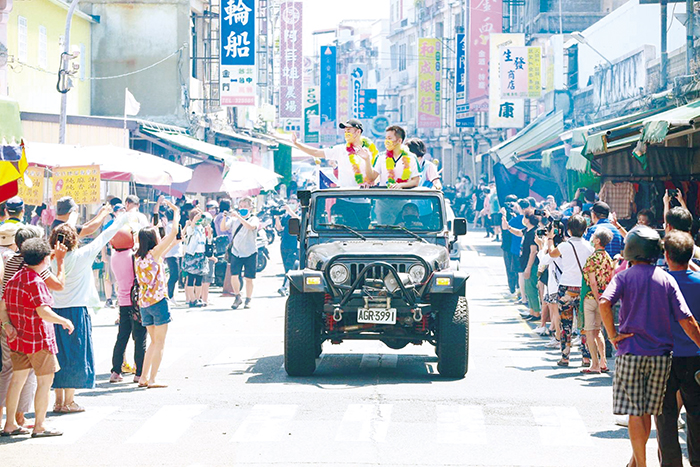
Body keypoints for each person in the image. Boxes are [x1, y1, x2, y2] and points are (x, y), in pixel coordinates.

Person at [600, 226, 700, 467]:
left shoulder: (624, 276)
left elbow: (605, 302)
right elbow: (686, 319)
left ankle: (647, 463)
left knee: (648, 414)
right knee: (677, 415)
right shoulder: (666, 279)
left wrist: (613, 335)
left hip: (643, 354)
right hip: (671, 357)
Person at [48, 208, 128, 413]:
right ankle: (69, 401)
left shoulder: (49, 259)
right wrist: (121, 218)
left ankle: (58, 402)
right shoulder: (83, 255)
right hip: (75, 313)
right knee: (75, 356)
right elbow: (104, 236)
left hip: (54, 313)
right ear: (74, 239)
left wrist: (73, 214)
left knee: (58, 357)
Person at [0, 238, 74, 438]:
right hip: (39, 340)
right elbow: (43, 312)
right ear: (44, 259)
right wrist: (64, 321)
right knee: (45, 382)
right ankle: (39, 426)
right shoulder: (36, 281)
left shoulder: (14, 278)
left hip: (18, 340)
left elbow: (3, 308)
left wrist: (7, 326)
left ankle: (9, 424)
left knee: (17, 381)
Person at [654, 230, 700, 467]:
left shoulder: (658, 284)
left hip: (663, 359)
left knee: (665, 416)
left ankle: (671, 463)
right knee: (697, 414)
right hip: (695, 357)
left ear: (667, 256)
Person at [134, 199, 181, 388]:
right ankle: (152, 379)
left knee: (153, 342)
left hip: (144, 303)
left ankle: (144, 377)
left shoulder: (139, 256)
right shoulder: (154, 253)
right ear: (152, 240)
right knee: (159, 343)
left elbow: (172, 241)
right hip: (158, 302)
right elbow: (173, 233)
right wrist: (175, 212)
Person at [546, 214, 594, 367]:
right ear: (584, 229)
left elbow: (552, 253)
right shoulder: (589, 246)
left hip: (566, 287)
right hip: (584, 288)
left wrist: (550, 238)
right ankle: (586, 357)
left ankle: (565, 357)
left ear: (569, 230)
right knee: (584, 324)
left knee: (566, 324)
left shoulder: (564, 246)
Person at [108, 226, 147, 384]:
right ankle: (139, 372)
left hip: (123, 301)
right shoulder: (132, 256)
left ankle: (116, 371)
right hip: (136, 302)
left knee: (122, 337)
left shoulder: (114, 257)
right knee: (139, 337)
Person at [289, 119, 378, 187]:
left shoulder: (370, 151)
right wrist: (297, 144)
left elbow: (373, 177)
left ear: (358, 132)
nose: (346, 134)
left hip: (364, 198)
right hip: (344, 197)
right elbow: (316, 152)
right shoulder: (340, 149)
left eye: (349, 131)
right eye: (345, 131)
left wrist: (367, 160)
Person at [581, 228, 614, 374]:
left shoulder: (592, 259)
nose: (592, 239)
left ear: (598, 241)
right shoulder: (608, 258)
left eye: (594, 237)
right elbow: (611, 279)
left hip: (591, 298)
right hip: (605, 298)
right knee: (598, 330)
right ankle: (603, 362)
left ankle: (594, 364)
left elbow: (592, 282)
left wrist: (596, 297)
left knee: (589, 331)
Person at [222, 197, 260, 310]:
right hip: (236, 251)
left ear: (250, 208)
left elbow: (250, 227)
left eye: (245, 207)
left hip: (250, 252)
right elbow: (223, 227)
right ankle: (237, 296)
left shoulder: (254, 219)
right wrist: (225, 217)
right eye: (241, 206)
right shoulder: (234, 220)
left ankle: (248, 299)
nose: (242, 209)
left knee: (249, 278)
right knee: (234, 275)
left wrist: (238, 216)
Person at [502, 213, 540, 319]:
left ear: (528, 220)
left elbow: (533, 252)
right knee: (528, 289)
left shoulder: (533, 233)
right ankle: (532, 311)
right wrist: (508, 227)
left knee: (531, 289)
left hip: (531, 265)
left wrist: (528, 268)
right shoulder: (527, 231)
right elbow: (519, 233)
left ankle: (536, 312)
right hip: (525, 263)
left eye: (524, 217)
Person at [182, 209, 207, 308]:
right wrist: (193, 221)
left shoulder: (201, 227)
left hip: (201, 254)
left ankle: (198, 298)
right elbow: (189, 231)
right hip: (192, 255)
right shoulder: (190, 227)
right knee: (191, 278)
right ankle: (192, 300)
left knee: (199, 279)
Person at [276, 198, 300, 296]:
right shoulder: (285, 216)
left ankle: (284, 287)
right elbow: (279, 228)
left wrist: (290, 211)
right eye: (290, 203)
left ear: (298, 204)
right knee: (286, 267)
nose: (291, 205)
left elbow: (301, 221)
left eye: (293, 203)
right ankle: (290, 287)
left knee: (291, 265)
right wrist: (276, 216)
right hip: (285, 243)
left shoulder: (300, 213)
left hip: (295, 244)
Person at [163, 208, 182, 301]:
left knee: (175, 275)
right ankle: (169, 295)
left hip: (175, 252)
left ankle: (170, 295)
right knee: (174, 275)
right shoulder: (171, 226)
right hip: (172, 253)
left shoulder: (174, 225)